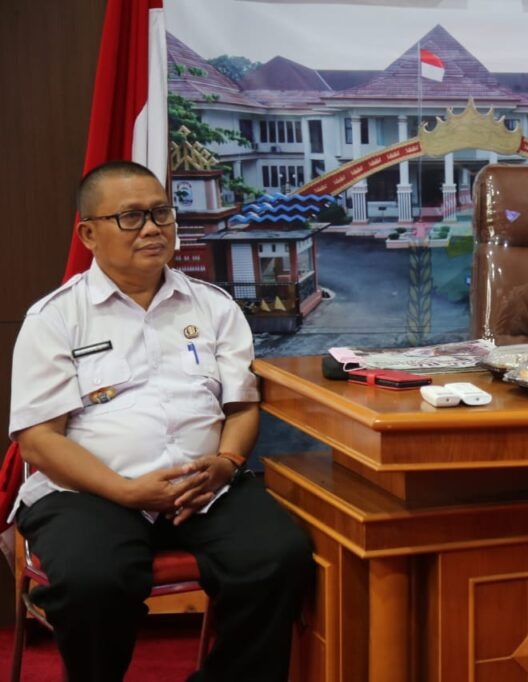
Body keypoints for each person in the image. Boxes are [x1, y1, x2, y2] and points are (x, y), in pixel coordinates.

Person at [8, 160, 313, 681]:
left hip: (204, 485)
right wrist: (126, 492)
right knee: (93, 582)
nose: (152, 228)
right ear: (89, 234)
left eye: (161, 213)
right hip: (90, 494)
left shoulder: (213, 307)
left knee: (279, 558)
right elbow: (39, 440)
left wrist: (226, 461)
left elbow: (241, 407)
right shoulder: (55, 317)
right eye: (130, 217)